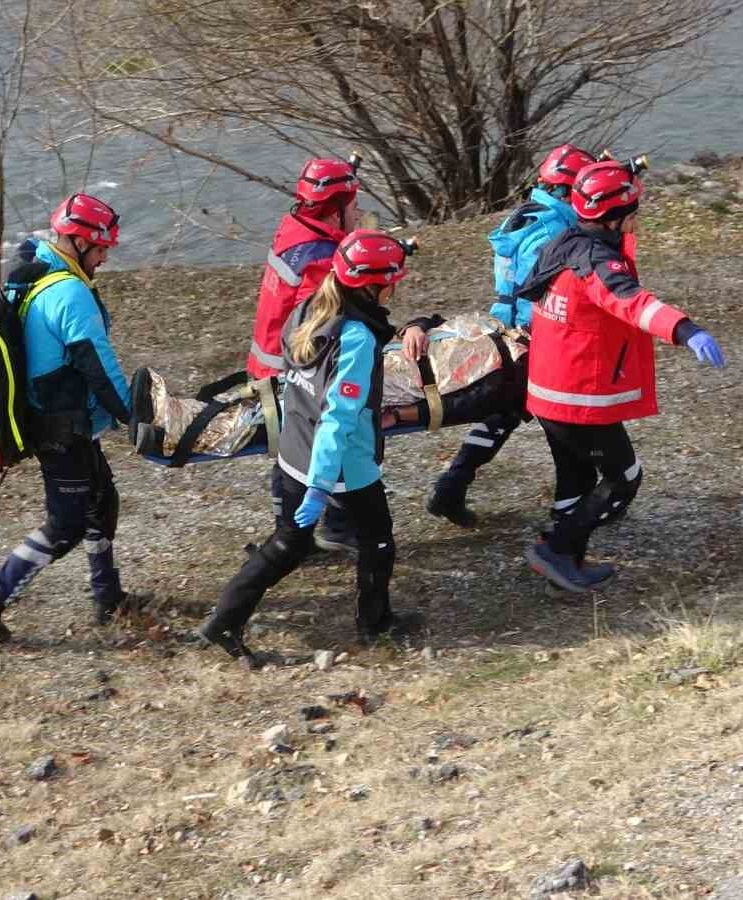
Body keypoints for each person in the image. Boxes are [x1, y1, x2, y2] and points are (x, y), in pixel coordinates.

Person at [198, 229, 427, 667]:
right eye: (394, 280)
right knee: (378, 541)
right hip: (341, 467)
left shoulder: (308, 309)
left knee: (286, 544)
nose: (397, 286)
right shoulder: (356, 338)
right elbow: (338, 418)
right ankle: (375, 625)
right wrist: (322, 485)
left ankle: (223, 621)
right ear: (374, 286)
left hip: (292, 453)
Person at [516, 159, 727, 593]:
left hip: (549, 389)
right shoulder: (597, 261)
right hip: (580, 396)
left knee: (576, 478)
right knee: (623, 479)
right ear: (615, 217)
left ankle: (565, 562)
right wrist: (686, 330)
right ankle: (555, 549)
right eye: (634, 211)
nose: (638, 218)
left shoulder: (566, 241)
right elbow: (631, 301)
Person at [0, 193, 136, 642]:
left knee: (101, 501)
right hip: (62, 428)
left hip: (57, 419)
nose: (105, 258)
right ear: (78, 242)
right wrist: (135, 416)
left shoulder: (36, 270)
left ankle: (108, 596)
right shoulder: (68, 292)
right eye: (101, 249)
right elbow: (98, 365)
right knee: (67, 524)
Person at [425, 144, 602, 528]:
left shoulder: (525, 217)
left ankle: (451, 487)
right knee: (558, 419)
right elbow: (552, 288)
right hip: (537, 333)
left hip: (507, 324)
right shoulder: (556, 229)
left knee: (504, 410)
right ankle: (571, 505)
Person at [246, 156, 364, 553]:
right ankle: (327, 526)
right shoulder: (320, 258)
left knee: (289, 451)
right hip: (292, 370)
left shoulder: (293, 228)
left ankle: (290, 532)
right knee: (335, 436)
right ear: (334, 213)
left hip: (266, 361)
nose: (360, 213)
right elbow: (321, 324)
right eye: (353, 207)